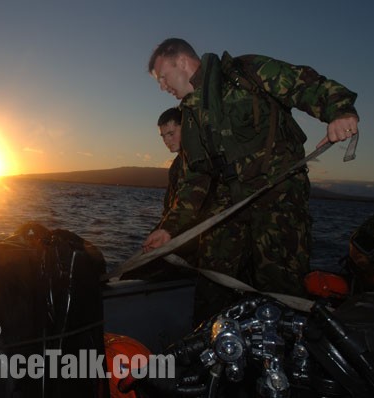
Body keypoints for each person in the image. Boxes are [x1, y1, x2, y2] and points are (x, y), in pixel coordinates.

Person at [143, 38, 359, 322]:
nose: (162, 87)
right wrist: (168, 229)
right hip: (228, 207)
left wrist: (340, 110)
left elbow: (303, 83)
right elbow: (194, 180)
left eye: (162, 77)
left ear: (181, 61)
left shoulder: (245, 73)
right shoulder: (191, 117)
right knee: (212, 287)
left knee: (280, 292)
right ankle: (216, 355)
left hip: (277, 200)